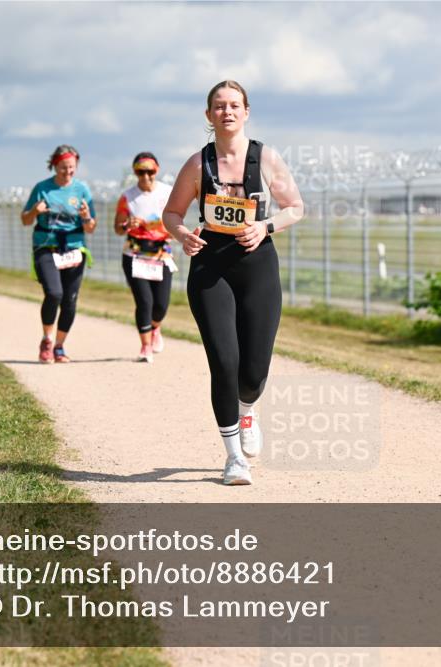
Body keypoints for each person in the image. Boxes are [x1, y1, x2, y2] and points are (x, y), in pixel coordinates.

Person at [163, 80, 304, 486]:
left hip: (257, 262)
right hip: (211, 266)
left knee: (254, 369)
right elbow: (171, 214)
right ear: (209, 115)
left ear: (246, 112)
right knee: (224, 362)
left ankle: (248, 409)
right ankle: (233, 458)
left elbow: (295, 207)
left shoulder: (267, 158)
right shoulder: (197, 164)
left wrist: (265, 226)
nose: (227, 111)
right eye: (219, 106)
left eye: (234, 105)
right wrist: (182, 234)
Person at [20, 144, 97, 363]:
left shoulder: (82, 190)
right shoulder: (42, 188)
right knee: (54, 293)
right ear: (54, 166)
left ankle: (59, 346)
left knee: (70, 300)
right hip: (46, 247)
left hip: (74, 248)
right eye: (63, 167)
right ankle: (47, 339)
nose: (68, 172)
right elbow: (25, 220)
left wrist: (86, 217)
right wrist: (35, 211)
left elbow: (91, 227)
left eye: (72, 167)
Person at [114, 152, 175, 363]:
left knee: (161, 305)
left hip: (161, 254)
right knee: (144, 301)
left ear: (156, 171)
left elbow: (177, 219)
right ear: (135, 172)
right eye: (141, 172)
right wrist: (126, 225)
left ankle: (155, 328)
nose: (146, 176)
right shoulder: (127, 197)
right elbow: (118, 229)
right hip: (135, 254)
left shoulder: (168, 193)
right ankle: (145, 346)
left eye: (150, 171)